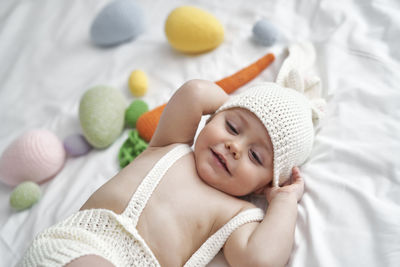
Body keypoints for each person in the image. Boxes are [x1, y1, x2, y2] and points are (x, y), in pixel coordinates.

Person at [21, 42, 324, 267]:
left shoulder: (235, 214)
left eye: (256, 157)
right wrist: (232, 103)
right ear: (214, 115)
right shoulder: (171, 145)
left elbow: (260, 260)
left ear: (262, 186)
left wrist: (284, 201)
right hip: (80, 246)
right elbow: (193, 93)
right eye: (232, 126)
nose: (235, 147)